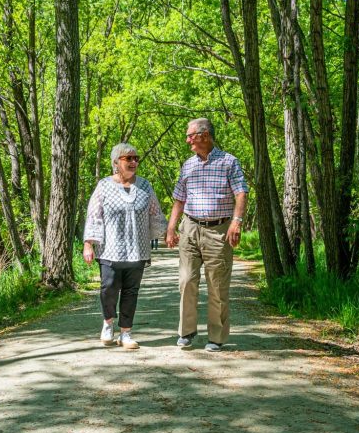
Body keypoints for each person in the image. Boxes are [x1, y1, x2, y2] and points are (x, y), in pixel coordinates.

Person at [165, 118, 247, 352]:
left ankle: (217, 337)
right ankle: (186, 332)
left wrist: (236, 222)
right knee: (187, 280)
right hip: (190, 228)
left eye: (191, 135)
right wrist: (172, 227)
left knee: (217, 284)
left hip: (218, 231)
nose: (188, 139)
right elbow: (179, 199)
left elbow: (241, 193)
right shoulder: (188, 165)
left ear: (205, 135)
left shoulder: (229, 162)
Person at [83, 143, 167, 350]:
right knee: (108, 288)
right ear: (115, 162)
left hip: (137, 250)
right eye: (128, 158)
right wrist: (88, 244)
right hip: (110, 249)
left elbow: (155, 214)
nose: (133, 162)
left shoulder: (145, 186)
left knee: (131, 292)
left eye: (136, 158)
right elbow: (94, 216)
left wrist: (170, 233)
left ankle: (126, 333)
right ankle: (108, 324)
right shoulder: (103, 186)